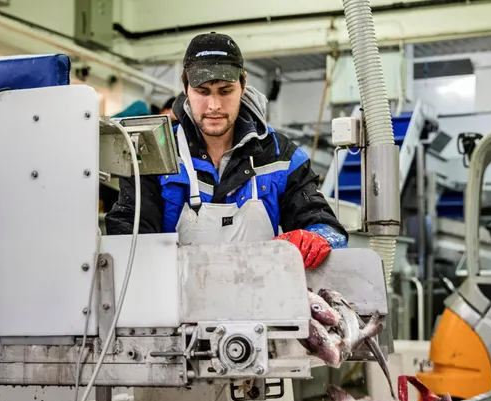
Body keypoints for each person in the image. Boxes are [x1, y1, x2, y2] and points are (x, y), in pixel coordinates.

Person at [105, 32, 347, 268]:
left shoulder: (280, 155)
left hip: (261, 302)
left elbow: (327, 229)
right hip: (177, 303)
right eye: (202, 91)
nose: (214, 106)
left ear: (243, 84)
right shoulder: (154, 152)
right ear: (186, 86)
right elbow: (130, 235)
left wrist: (315, 238)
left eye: (225, 91)